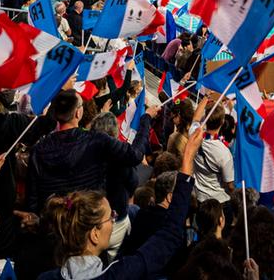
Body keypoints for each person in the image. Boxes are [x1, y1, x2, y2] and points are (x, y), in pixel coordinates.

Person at [37, 119, 206, 280]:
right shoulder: (121, 274)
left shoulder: (44, 277)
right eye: (110, 217)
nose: (114, 218)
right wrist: (187, 161)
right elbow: (169, 235)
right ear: (95, 234)